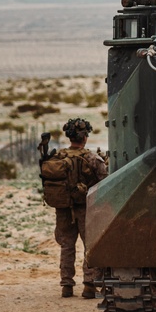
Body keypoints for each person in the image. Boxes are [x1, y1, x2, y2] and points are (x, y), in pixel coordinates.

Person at [41, 118, 108, 298]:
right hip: (86, 210)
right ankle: (89, 285)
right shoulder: (93, 158)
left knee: (66, 246)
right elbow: (106, 182)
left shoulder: (57, 158)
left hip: (63, 210)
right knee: (90, 247)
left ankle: (67, 286)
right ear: (85, 137)